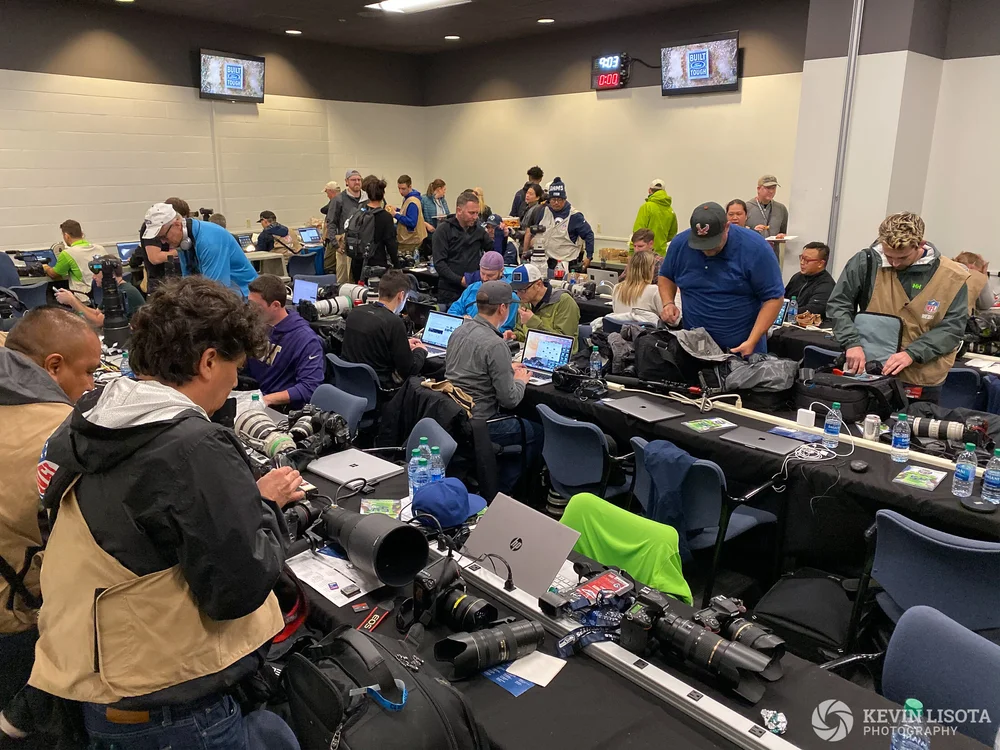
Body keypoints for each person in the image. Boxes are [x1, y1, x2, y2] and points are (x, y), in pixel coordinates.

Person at [9, 277, 301, 749]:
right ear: (208, 361)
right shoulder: (194, 446)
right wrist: (263, 506)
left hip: (98, 677)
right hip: (173, 702)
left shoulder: (91, 416)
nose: (234, 383)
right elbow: (236, 590)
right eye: (235, 368)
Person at [0, 308, 101, 712]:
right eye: (89, 372)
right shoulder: (60, 434)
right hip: (17, 618)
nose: (92, 384)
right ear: (54, 367)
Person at [827, 212, 969, 403]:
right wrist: (852, 343)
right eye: (889, 256)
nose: (894, 263)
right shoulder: (867, 262)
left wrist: (912, 353)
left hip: (921, 377)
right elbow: (839, 305)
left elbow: (952, 328)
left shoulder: (952, 276)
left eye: (902, 257)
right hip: (870, 371)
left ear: (920, 244)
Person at [444, 280, 538, 493]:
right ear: (503, 308)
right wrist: (521, 381)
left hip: (454, 415)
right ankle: (505, 490)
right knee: (536, 432)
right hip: (482, 423)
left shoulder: (459, 331)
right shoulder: (496, 344)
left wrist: (506, 366)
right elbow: (510, 400)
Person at [658, 202, 784, 356]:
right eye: (701, 245)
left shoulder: (755, 248)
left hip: (742, 350)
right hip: (695, 348)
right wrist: (668, 303)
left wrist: (752, 340)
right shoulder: (680, 244)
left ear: (727, 227)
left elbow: (774, 298)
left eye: (713, 244)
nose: (707, 250)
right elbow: (666, 275)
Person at [142, 202, 258, 296]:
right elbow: (188, 281)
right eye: (159, 238)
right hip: (224, 296)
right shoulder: (184, 241)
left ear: (177, 224)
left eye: (163, 236)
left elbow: (215, 292)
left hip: (243, 298)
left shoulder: (210, 241)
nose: (163, 242)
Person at [245, 274, 324, 409]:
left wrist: (266, 400)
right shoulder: (258, 324)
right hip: (252, 395)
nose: (250, 310)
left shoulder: (306, 340)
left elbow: (309, 387)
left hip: (278, 409)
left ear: (275, 305)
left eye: (255, 306)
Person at [342, 269, 427, 390]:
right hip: (381, 391)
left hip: (351, 384)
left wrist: (403, 344)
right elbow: (409, 370)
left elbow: (373, 346)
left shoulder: (355, 312)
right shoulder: (394, 322)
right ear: (401, 295)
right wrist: (420, 351)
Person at [432, 190, 493, 307]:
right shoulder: (443, 230)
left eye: (477, 213)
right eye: (471, 213)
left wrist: (502, 237)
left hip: (473, 290)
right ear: (459, 210)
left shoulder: (479, 231)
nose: (475, 217)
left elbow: (493, 252)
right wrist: (460, 280)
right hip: (449, 291)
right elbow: (439, 263)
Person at [523, 177, 595, 272]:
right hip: (545, 262)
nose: (556, 203)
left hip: (565, 264)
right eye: (553, 199)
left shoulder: (574, 216)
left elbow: (589, 234)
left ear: (565, 199)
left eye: (559, 200)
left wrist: (588, 256)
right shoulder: (543, 211)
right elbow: (534, 231)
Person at [508, 263, 581, 353]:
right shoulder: (526, 302)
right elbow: (523, 334)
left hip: (560, 357)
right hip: (532, 353)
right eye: (516, 290)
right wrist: (515, 335)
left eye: (522, 290)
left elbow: (564, 343)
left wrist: (534, 322)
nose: (519, 294)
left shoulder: (564, 302)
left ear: (538, 285)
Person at [54, 255, 145, 327]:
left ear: (111, 274)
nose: (93, 277)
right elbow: (97, 313)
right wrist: (73, 300)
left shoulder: (124, 292)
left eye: (96, 273)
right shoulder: (114, 290)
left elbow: (98, 322)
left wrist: (72, 301)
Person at [449, 251, 519, 332]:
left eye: (490, 275)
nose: (485, 278)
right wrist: (462, 319)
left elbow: (506, 328)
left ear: (501, 271)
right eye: (482, 273)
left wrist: (477, 329)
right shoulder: (472, 288)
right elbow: (452, 311)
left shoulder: (510, 297)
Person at [351, 176, 399, 282]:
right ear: (382, 195)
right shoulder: (385, 216)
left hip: (357, 262)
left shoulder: (360, 212)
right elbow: (391, 244)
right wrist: (397, 266)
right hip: (376, 266)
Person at [134, 196, 186, 295]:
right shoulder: (154, 227)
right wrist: (182, 250)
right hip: (160, 283)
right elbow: (155, 258)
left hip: (176, 279)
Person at [43, 220, 103, 294]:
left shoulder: (68, 253)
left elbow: (53, 274)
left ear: (66, 236)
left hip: (84, 297)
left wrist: (46, 267)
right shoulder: (100, 248)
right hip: (103, 294)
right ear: (82, 234)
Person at [328, 169, 366, 280]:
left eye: (359, 179)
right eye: (353, 180)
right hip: (344, 244)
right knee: (344, 278)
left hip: (362, 244)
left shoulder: (366, 198)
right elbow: (331, 223)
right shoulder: (338, 200)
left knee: (359, 278)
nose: (357, 182)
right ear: (346, 182)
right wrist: (335, 244)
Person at [784, 242, 836, 319]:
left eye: (807, 260)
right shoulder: (797, 277)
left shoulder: (826, 285)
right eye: (801, 258)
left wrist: (783, 312)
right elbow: (783, 299)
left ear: (820, 264)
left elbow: (812, 310)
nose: (802, 263)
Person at [612, 251, 662, 324]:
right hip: (645, 333)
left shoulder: (617, 288)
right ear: (650, 269)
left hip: (620, 333)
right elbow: (671, 320)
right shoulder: (654, 290)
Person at [631, 179, 678, 256]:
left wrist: (631, 251)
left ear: (649, 190)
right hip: (662, 254)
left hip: (645, 255)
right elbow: (672, 234)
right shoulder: (670, 211)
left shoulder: (646, 207)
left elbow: (637, 232)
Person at [391, 175, 427, 259]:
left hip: (410, 240)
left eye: (403, 189)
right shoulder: (409, 199)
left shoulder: (412, 201)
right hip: (413, 239)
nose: (400, 191)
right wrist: (397, 209)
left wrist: (395, 215)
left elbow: (411, 222)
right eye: (399, 188)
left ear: (410, 186)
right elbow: (407, 212)